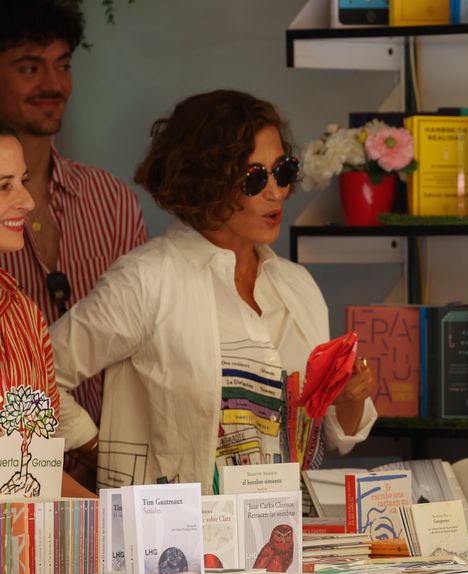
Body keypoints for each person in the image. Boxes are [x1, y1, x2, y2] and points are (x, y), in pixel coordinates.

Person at [51, 90, 376, 494]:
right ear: (203, 183)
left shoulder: (297, 286)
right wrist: (102, 453)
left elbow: (333, 438)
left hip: (288, 525)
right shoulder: (145, 280)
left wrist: (349, 396)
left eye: (283, 170)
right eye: (254, 177)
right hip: (175, 531)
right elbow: (34, 381)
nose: (276, 192)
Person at [0, 1, 147, 487]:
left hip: (99, 476)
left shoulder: (111, 199)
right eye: (29, 67)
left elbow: (142, 339)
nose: (52, 84)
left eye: (62, 65)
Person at [0, 123, 92, 498]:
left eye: (23, 181)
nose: (27, 201)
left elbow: (36, 470)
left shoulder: (23, 313)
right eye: (4, 186)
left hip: (24, 531)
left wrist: (116, 522)